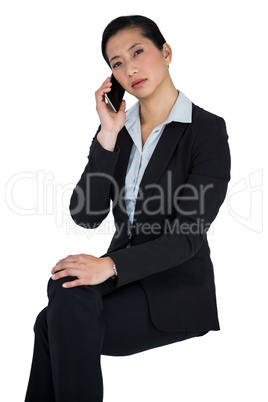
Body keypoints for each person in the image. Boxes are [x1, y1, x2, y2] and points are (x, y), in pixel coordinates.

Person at [24, 15, 231, 402]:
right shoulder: (118, 128)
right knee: (61, 294)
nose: (130, 68)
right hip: (125, 281)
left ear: (166, 53)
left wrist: (109, 266)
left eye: (138, 52)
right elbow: (86, 214)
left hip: (176, 287)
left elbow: (187, 236)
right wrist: (107, 135)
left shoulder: (206, 130)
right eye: (117, 63)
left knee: (53, 321)